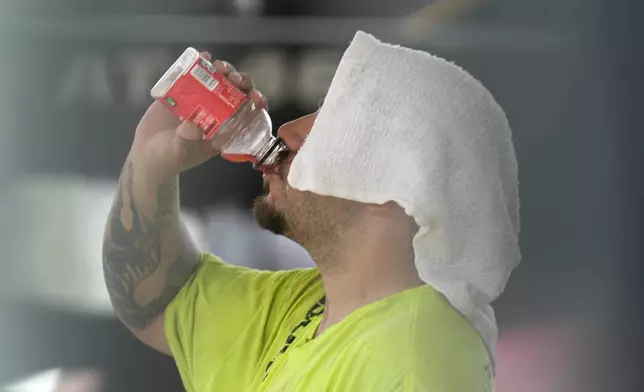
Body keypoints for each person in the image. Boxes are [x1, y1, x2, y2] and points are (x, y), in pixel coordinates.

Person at [103, 32, 520, 391]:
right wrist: (151, 160)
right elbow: (156, 302)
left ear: (393, 184)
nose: (286, 131)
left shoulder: (415, 362)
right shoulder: (308, 307)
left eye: (330, 127)